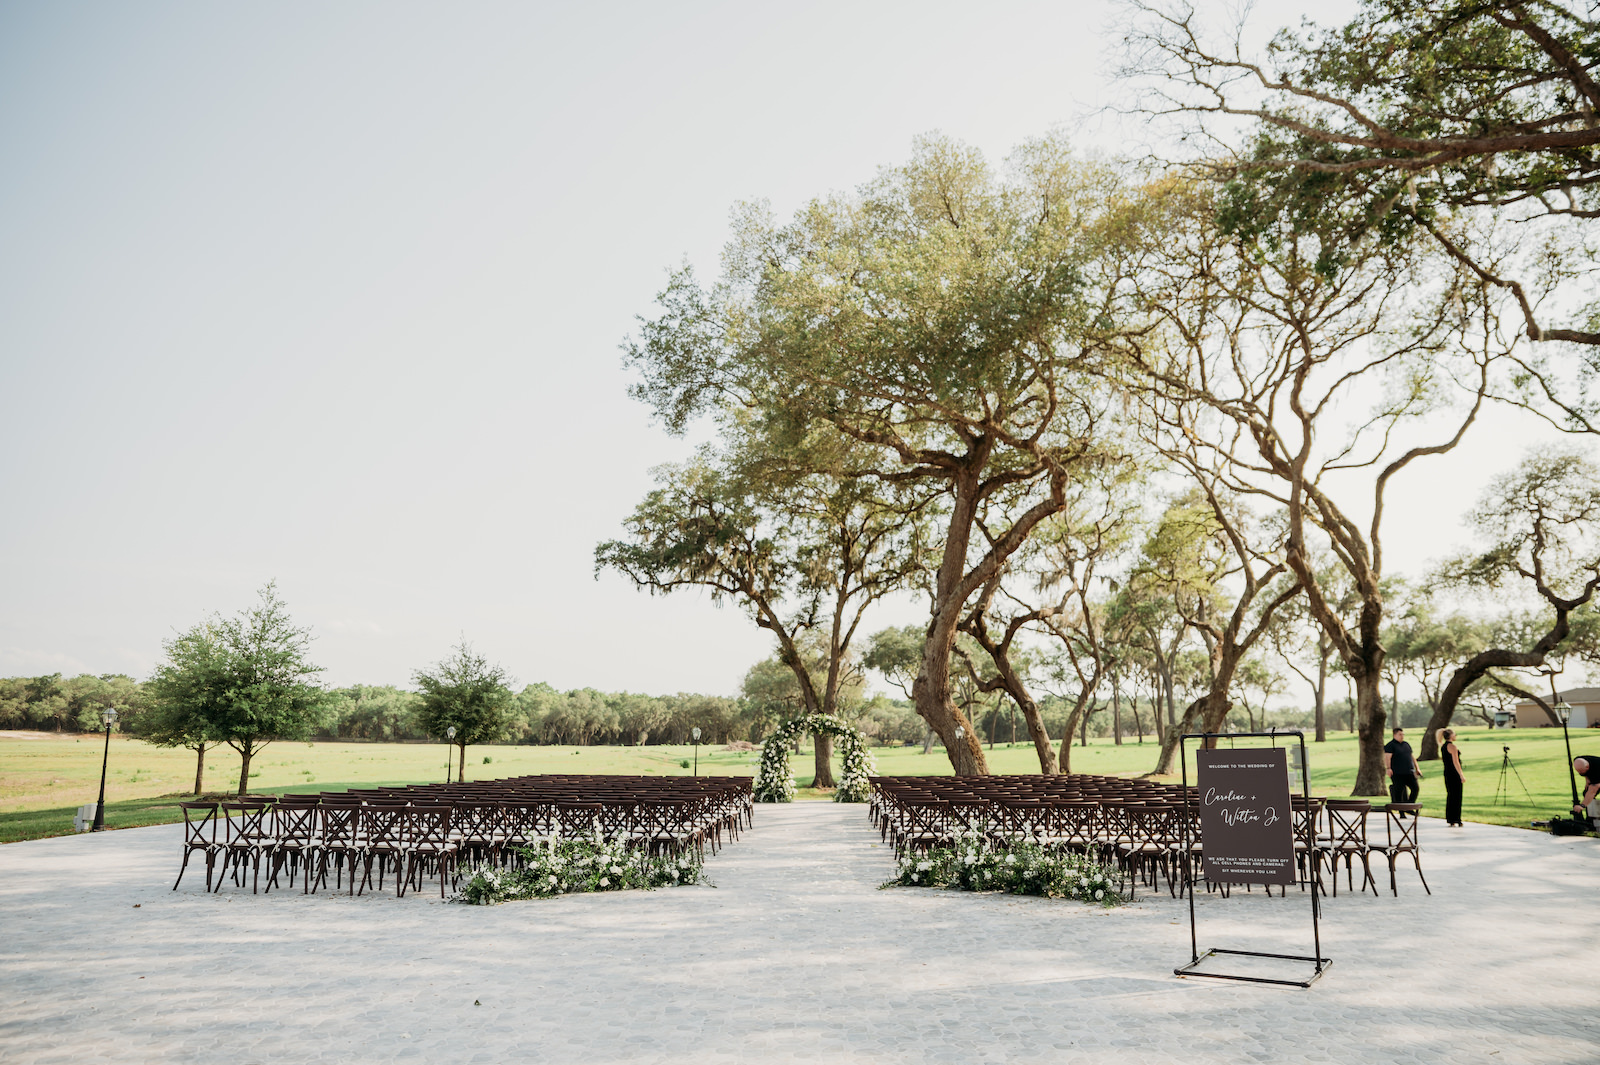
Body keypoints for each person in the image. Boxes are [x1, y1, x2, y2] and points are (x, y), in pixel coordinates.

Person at [1384, 726, 1421, 805]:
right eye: (1400, 734)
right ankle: (1401, 811)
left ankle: (1409, 805)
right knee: (1399, 791)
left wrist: (1417, 768)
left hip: (1409, 772)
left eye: (1403, 734)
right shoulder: (1390, 745)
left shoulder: (1406, 744)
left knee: (1415, 788)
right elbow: (1387, 758)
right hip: (1397, 773)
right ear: (1395, 735)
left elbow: (1412, 757)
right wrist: (1388, 768)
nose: (1402, 736)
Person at [1438, 727, 1465, 827]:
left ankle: (1450, 818)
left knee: (1450, 795)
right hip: (1454, 773)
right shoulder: (1452, 747)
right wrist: (1461, 775)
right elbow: (1456, 762)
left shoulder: (1443, 746)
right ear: (1450, 736)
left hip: (1447, 773)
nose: (1455, 736)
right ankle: (1457, 818)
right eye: (1454, 734)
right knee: (1457, 796)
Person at [1572, 756, 1600, 821]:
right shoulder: (1578, 760)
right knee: (1586, 792)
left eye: (1581, 771)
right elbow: (1586, 773)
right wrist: (1587, 780)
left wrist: (1582, 806)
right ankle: (1592, 818)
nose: (1580, 773)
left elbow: (1592, 791)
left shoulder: (1597, 769)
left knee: (1589, 793)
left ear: (1587, 767)